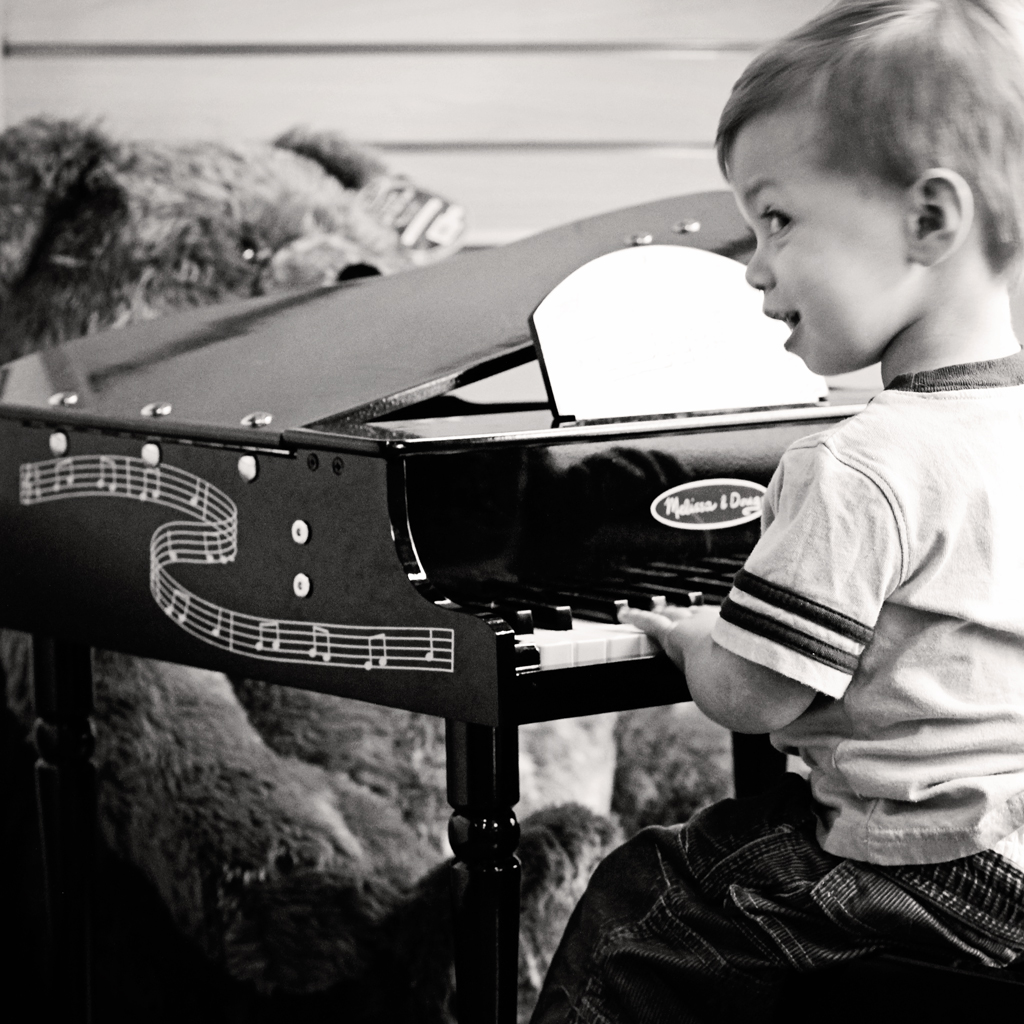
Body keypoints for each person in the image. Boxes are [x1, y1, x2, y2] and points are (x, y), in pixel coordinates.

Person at [529, 2, 1024, 1021]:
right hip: (1013, 860)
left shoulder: (860, 459)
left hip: (916, 871)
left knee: (648, 891)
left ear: (928, 220)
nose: (750, 267)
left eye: (777, 220)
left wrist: (695, 634)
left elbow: (756, 699)